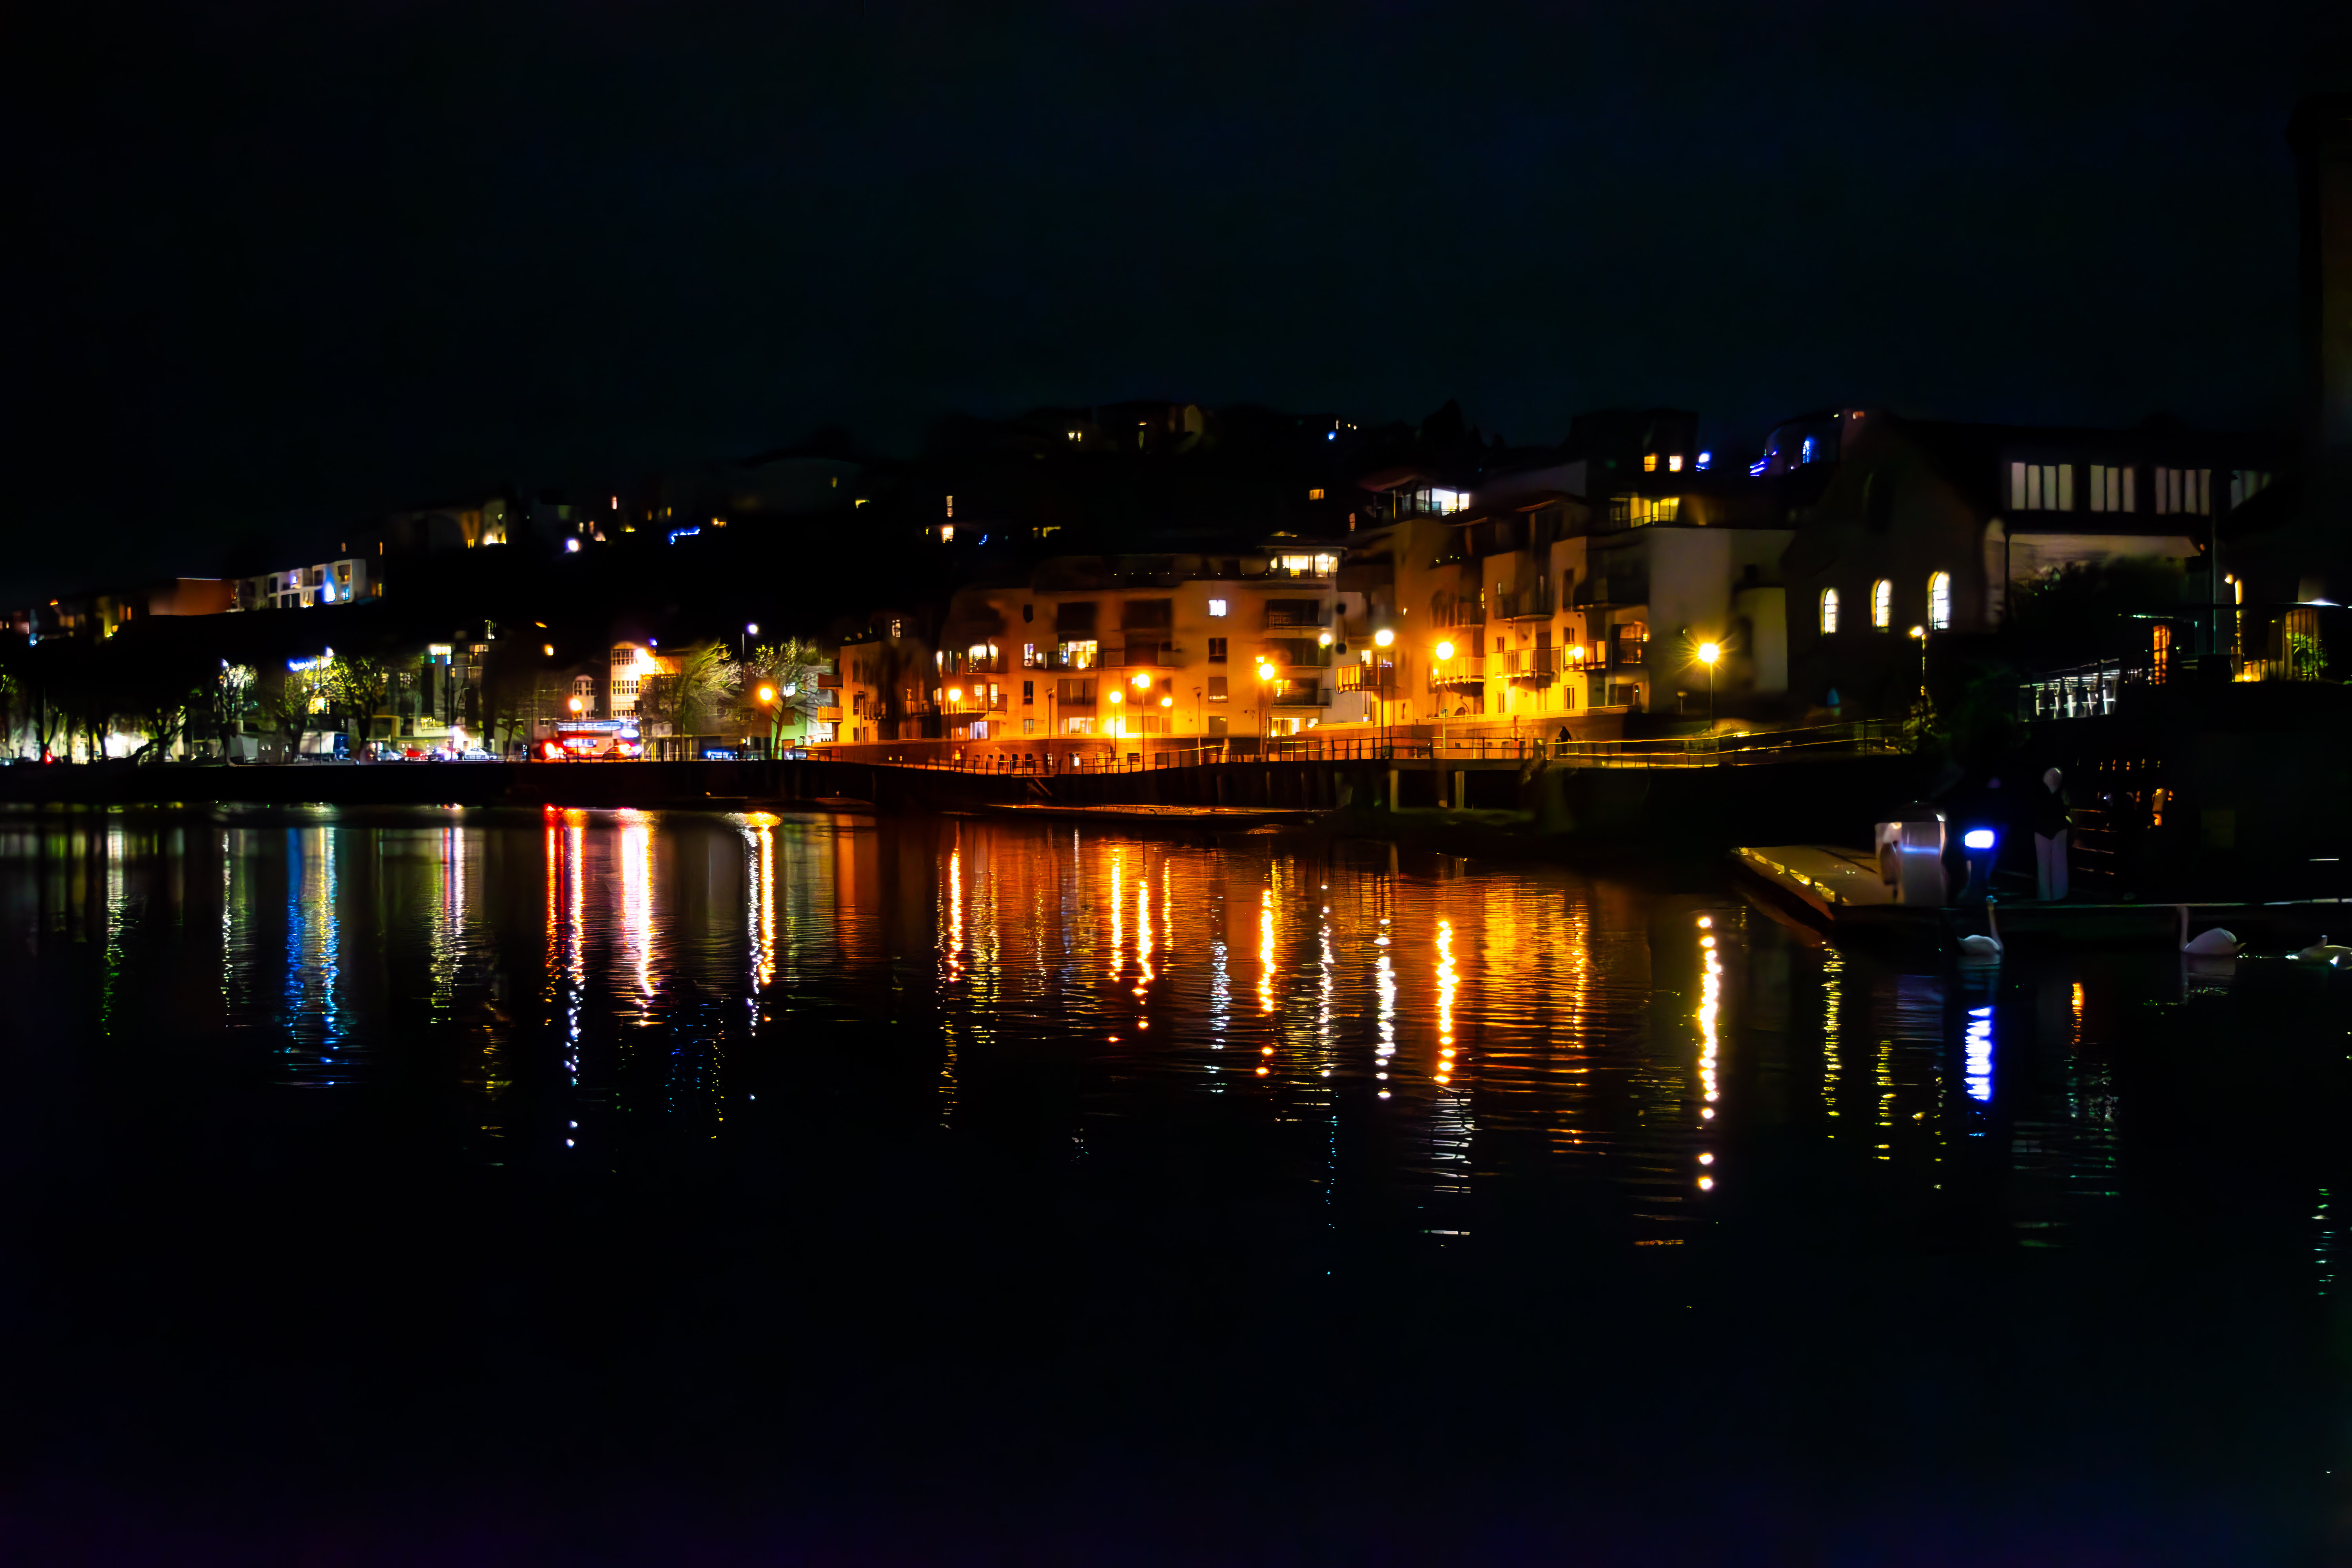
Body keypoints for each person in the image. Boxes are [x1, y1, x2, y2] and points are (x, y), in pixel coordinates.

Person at [2031, 766, 2071, 900]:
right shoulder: (2059, 793)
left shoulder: (2041, 792)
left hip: (2047, 828)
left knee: (2046, 866)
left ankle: (2047, 896)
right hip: (2055, 827)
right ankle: (2056, 896)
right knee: (2057, 865)